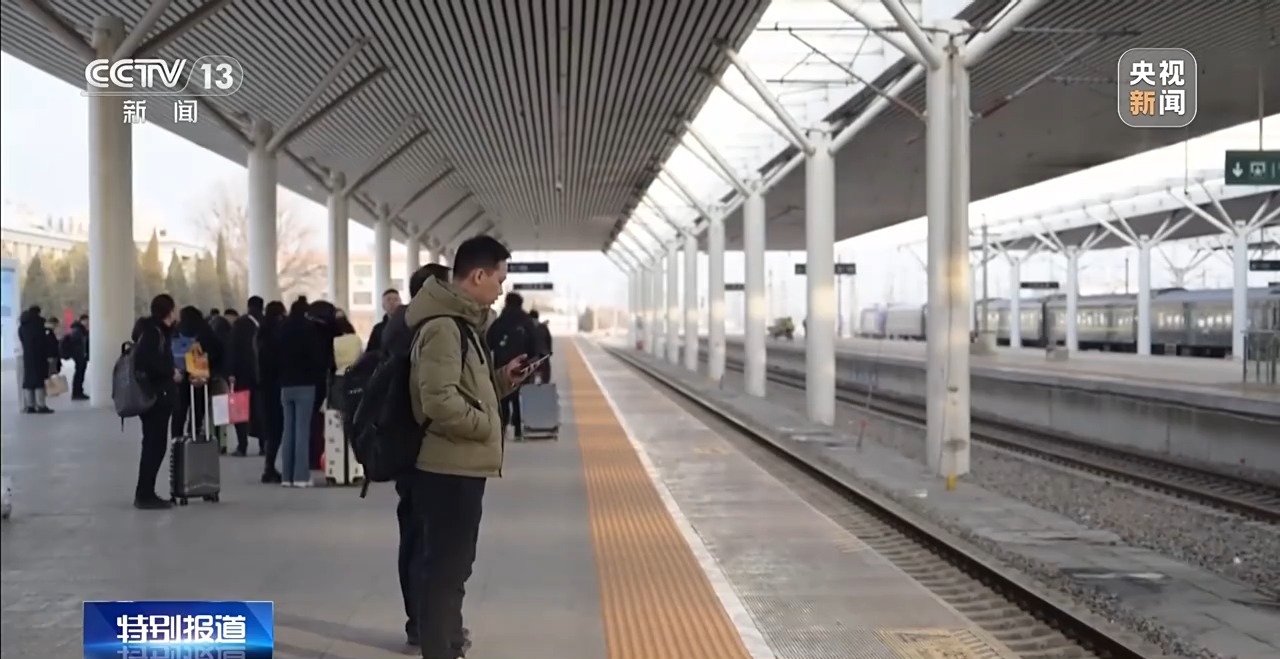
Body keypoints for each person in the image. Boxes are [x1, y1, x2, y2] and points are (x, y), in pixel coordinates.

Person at [407, 236, 530, 659]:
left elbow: (464, 390)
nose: (500, 290)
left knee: (454, 567)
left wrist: (502, 380)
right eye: (499, 279)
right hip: (448, 468)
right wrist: (486, 426)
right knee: (446, 569)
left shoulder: (463, 326)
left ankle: (450, 643)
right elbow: (438, 401)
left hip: (459, 464)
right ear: (478, 275)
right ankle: (440, 649)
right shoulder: (444, 327)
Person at [379, 263, 457, 649]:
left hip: (401, 445)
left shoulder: (396, 322)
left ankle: (418, 620)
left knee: (412, 535)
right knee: (430, 541)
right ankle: (430, 624)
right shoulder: (430, 326)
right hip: (425, 446)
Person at [131, 294, 180, 510]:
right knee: (154, 446)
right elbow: (147, 362)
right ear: (168, 311)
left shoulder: (154, 331)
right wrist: (170, 373)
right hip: (156, 397)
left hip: (156, 396)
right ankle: (145, 493)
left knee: (153, 445)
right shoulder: (154, 333)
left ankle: (146, 491)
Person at [275, 298, 328, 487]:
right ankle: (300, 476)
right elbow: (318, 357)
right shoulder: (309, 329)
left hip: (285, 385)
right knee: (302, 430)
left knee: (288, 430)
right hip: (305, 384)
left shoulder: (282, 328)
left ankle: (286, 476)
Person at [486, 292, 539, 439]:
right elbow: (534, 343)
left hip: (502, 364)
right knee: (518, 398)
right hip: (522, 364)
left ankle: (502, 427)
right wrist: (533, 360)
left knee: (503, 397)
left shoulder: (500, 321)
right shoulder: (526, 321)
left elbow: (489, 342)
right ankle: (518, 429)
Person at [169, 306, 224, 440]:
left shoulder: (176, 332)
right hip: (200, 376)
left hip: (180, 376)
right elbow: (218, 352)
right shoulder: (205, 331)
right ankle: (194, 433)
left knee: (179, 410)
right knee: (198, 408)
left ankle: (176, 439)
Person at [229, 296, 265, 456]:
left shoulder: (240, 324)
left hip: (242, 373)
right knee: (262, 409)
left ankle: (242, 445)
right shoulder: (266, 322)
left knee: (240, 410)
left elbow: (232, 348)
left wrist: (231, 372)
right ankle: (264, 445)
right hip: (263, 375)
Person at [257, 301, 287, 483]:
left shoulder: (261, 334)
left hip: (264, 386)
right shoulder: (278, 335)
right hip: (277, 386)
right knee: (277, 428)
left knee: (271, 429)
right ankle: (270, 467)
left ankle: (269, 466)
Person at [17, 306, 53, 414]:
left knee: (29, 380)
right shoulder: (39, 325)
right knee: (39, 380)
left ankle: (30, 406)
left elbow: (22, 339)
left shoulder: (22, 326)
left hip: (27, 356)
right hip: (39, 356)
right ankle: (41, 405)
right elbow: (44, 342)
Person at [366, 288, 403, 353]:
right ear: (383, 306)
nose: (392, 303)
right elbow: (370, 352)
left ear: (401, 303)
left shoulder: (409, 324)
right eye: (388, 300)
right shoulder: (378, 329)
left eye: (395, 300)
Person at [64, 314, 90, 400]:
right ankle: (77, 392)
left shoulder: (79, 330)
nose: (87, 323)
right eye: (86, 321)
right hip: (79, 355)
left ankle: (78, 391)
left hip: (80, 355)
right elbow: (79, 343)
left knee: (80, 373)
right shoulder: (78, 331)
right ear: (82, 320)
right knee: (79, 374)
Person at [529, 310, 553, 384]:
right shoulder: (543, 327)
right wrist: (549, 351)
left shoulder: (527, 327)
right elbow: (549, 339)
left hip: (532, 356)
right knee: (545, 375)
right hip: (543, 354)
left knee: (531, 374)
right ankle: (544, 383)